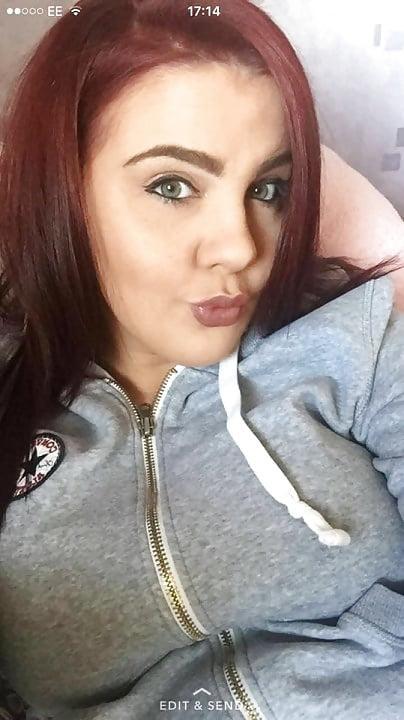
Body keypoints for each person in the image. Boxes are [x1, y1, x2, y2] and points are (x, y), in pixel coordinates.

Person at [0, 0, 403, 718]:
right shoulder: (10, 393)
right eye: (172, 186)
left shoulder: (359, 347)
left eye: (267, 190)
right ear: (61, 192)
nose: (241, 246)